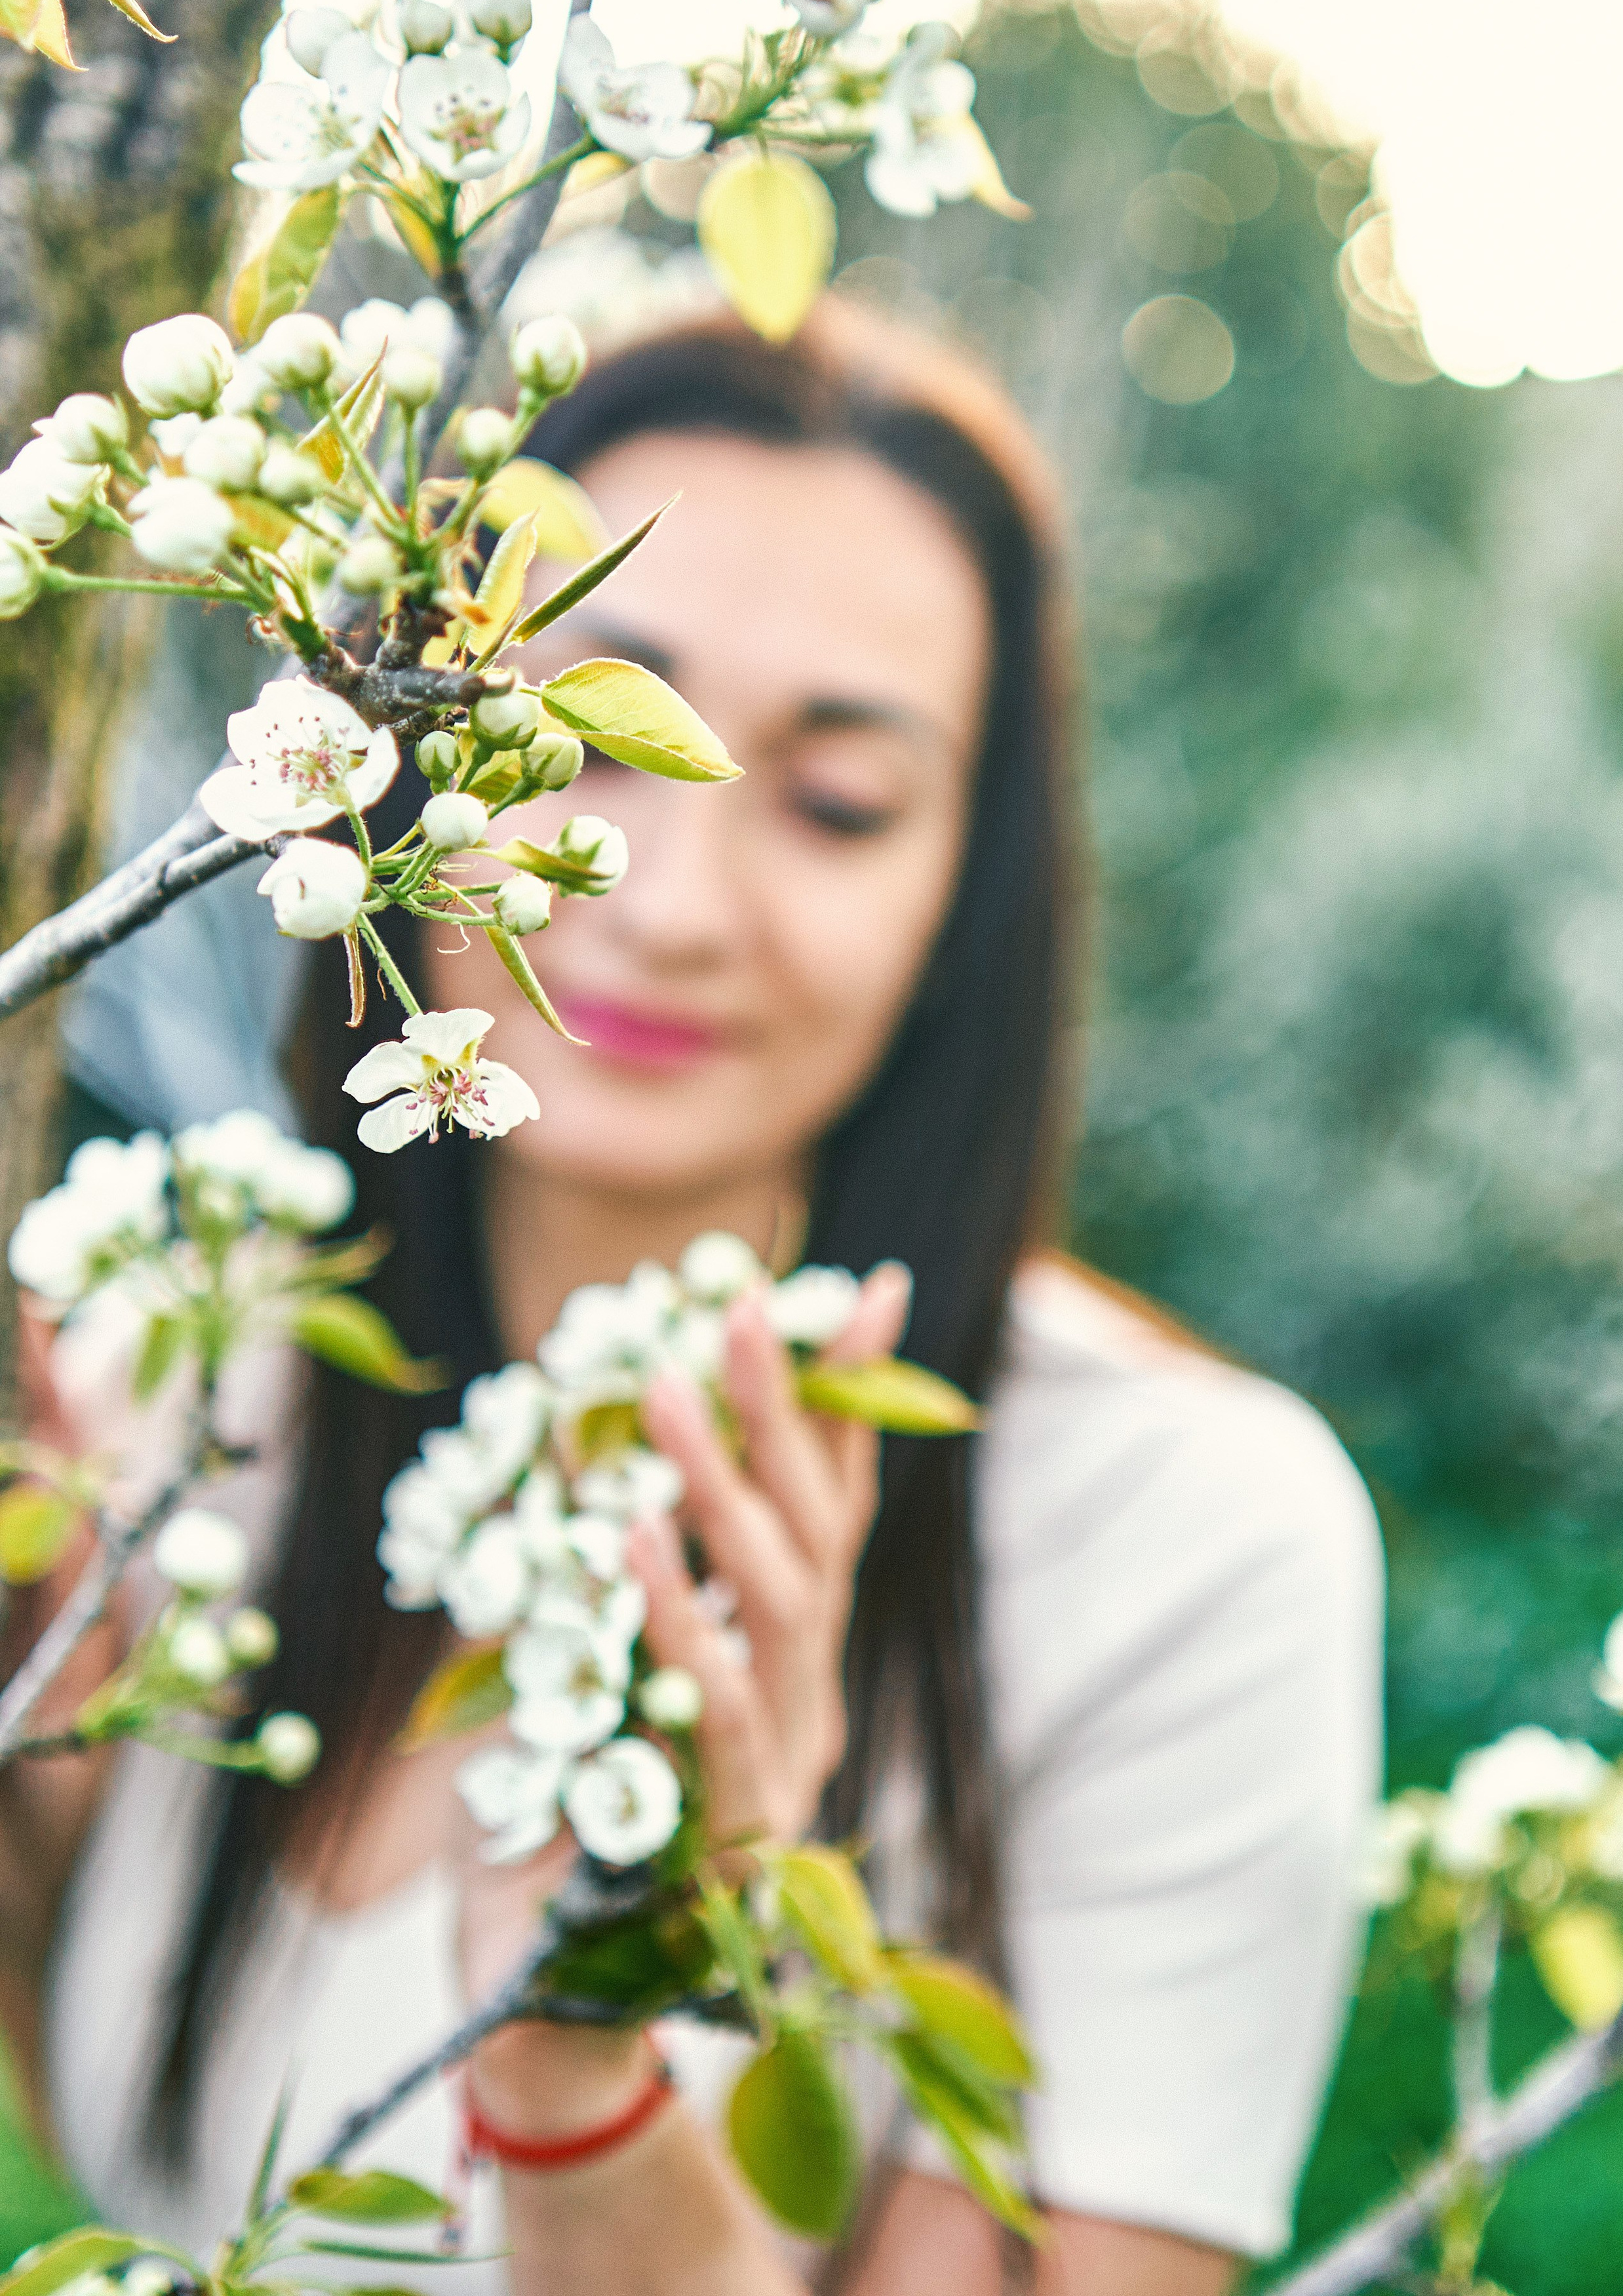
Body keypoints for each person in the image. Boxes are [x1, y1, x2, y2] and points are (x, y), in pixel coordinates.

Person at [3, 303, 1383, 2295]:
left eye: (837, 802)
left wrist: (584, 2054)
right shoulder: (176, 1375)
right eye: (566, 746)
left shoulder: (1180, 1550)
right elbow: (136, 2147)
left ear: (966, 897)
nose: (661, 901)